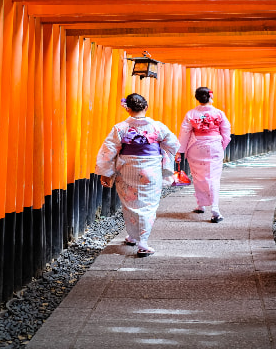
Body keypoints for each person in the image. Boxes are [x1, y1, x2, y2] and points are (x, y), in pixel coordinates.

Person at [96, 93, 180, 257]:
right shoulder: (158, 127)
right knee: (148, 205)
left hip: (127, 169)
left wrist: (106, 173)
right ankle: (142, 241)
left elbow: (108, 152)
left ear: (127, 109)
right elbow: (173, 144)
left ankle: (135, 236)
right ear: (146, 107)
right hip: (151, 169)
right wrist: (165, 157)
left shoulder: (120, 128)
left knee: (130, 204)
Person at [175, 87, 232, 223]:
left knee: (198, 176)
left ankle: (201, 204)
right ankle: (215, 209)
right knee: (213, 177)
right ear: (211, 97)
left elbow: (184, 133)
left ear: (197, 98)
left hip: (196, 147)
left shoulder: (191, 114)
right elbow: (226, 131)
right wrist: (221, 145)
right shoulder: (218, 113)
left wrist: (179, 151)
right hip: (214, 146)